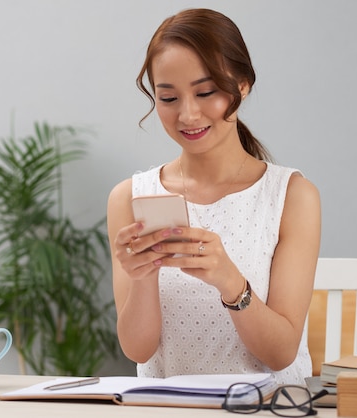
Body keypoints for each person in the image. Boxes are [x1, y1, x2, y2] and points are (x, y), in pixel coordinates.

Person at [106, 8, 321, 385]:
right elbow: (138, 351)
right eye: (168, 98)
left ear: (243, 85)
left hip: (267, 408)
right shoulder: (131, 197)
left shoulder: (291, 196)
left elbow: (281, 353)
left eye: (205, 92)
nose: (188, 114)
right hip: (167, 410)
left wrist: (230, 282)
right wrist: (142, 276)